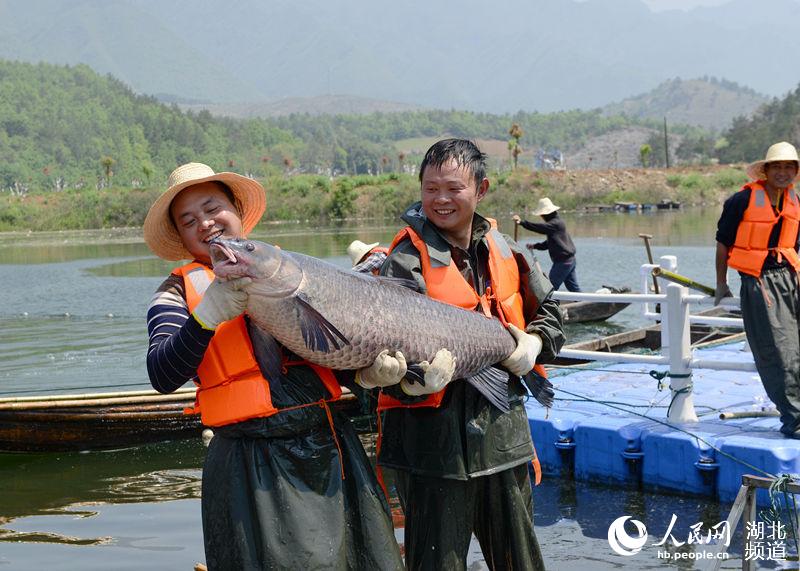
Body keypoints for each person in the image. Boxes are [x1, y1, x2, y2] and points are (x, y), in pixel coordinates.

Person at [143, 162, 403, 570]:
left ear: (236, 210)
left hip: (328, 444)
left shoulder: (291, 271)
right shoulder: (175, 295)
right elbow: (161, 374)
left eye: (213, 209)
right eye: (189, 220)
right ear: (180, 235)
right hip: (248, 464)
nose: (206, 224)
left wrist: (368, 376)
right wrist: (205, 318)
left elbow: (334, 351)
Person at [355, 139, 565, 570]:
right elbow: (384, 343)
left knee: (520, 562)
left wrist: (535, 344)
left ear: (481, 189)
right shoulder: (403, 259)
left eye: (453, 188)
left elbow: (551, 311)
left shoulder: (507, 249)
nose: (441, 199)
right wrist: (408, 377)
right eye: (431, 189)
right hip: (431, 450)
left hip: (504, 439)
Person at [715, 141, 800, 438]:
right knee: (779, 352)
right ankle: (794, 421)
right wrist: (721, 284)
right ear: (766, 171)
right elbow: (723, 242)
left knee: (797, 349)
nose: (783, 172)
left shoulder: (795, 201)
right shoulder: (742, 200)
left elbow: (795, 245)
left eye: (789, 166)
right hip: (759, 281)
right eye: (777, 166)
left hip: (792, 278)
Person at [513, 197, 581, 292]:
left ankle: (549, 306)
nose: (542, 217)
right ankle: (584, 303)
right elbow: (550, 243)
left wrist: (522, 223)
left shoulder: (556, 224)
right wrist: (535, 246)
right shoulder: (554, 225)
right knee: (573, 287)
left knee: (550, 287)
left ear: (546, 214)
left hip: (563, 262)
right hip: (569, 261)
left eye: (542, 215)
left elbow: (540, 228)